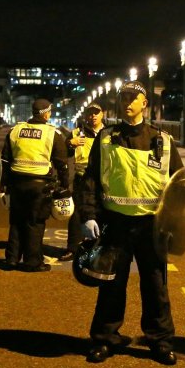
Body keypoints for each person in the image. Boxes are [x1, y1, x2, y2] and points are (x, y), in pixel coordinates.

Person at [79, 81, 183, 365]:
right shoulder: (106, 137)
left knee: (156, 286)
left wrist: (176, 224)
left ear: (144, 104)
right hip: (116, 223)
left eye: (133, 98)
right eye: (124, 97)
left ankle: (160, 342)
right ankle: (104, 339)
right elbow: (90, 179)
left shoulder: (163, 140)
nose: (127, 102)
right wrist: (89, 215)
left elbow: (179, 186)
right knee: (111, 284)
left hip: (152, 225)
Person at [1, 98, 71, 272]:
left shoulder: (16, 130)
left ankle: (11, 259)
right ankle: (33, 262)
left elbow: (4, 159)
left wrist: (4, 184)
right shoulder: (51, 133)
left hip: (17, 183)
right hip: (40, 185)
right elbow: (61, 162)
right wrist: (64, 185)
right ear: (47, 113)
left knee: (17, 221)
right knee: (35, 222)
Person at [61, 103, 104, 261]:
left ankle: (99, 248)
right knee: (76, 214)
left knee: (102, 213)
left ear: (102, 115)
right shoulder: (77, 133)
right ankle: (73, 248)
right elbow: (63, 151)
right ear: (85, 115)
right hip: (82, 177)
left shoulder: (108, 134)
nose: (93, 116)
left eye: (96, 113)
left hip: (103, 178)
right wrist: (69, 144)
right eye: (90, 113)